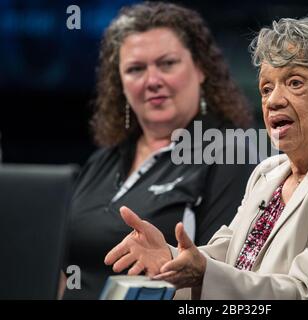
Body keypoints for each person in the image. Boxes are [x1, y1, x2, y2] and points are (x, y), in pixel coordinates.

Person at [104, 17, 308, 299]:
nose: (274, 100)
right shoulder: (269, 172)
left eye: (295, 83)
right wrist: (171, 258)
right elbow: (226, 258)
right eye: (266, 88)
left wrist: (204, 274)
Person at [62, 2, 256, 299]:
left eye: (167, 64)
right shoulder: (103, 159)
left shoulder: (230, 153)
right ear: (121, 83)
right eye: (136, 69)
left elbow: (228, 275)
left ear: (201, 69)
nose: (153, 81)